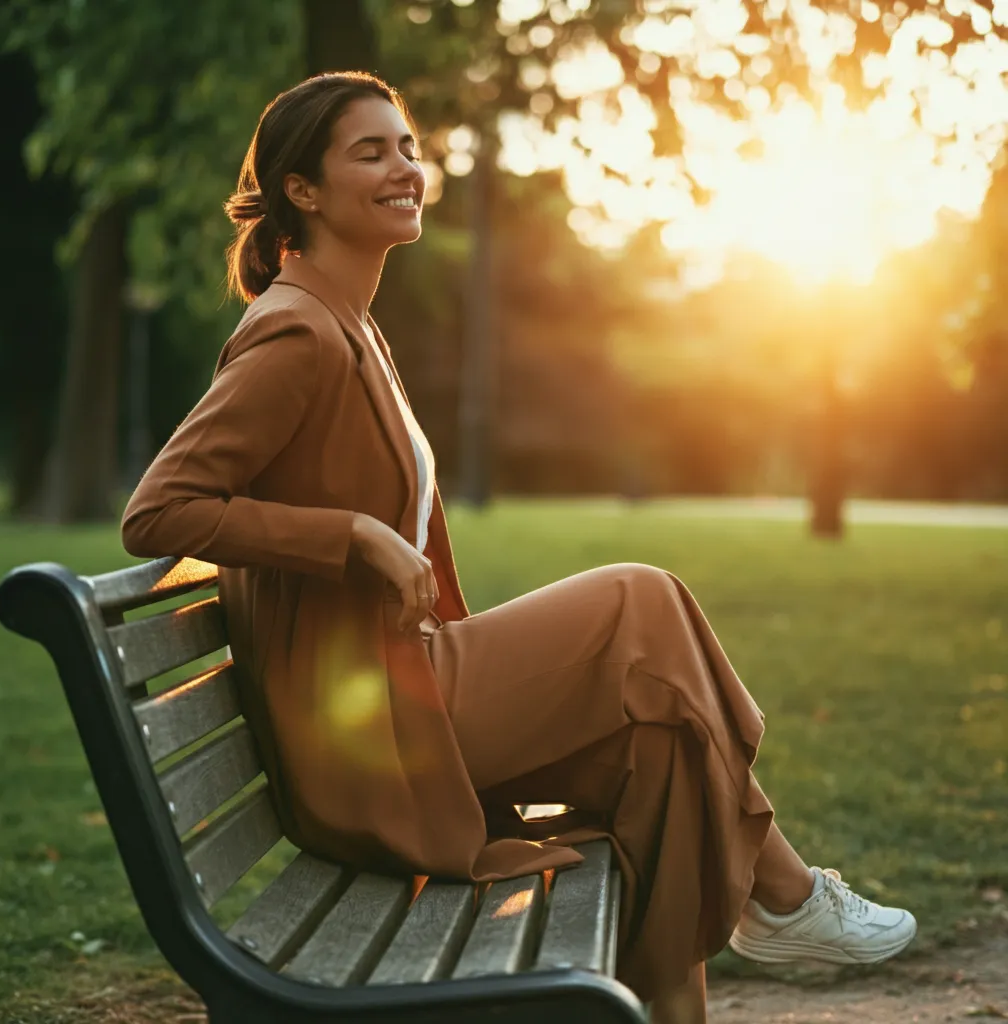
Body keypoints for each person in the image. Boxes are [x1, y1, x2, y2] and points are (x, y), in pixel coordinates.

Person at [121, 72, 916, 1024]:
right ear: (304, 190)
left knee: (661, 755)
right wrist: (354, 538)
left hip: (388, 700)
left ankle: (732, 955)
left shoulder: (348, 323)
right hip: (365, 732)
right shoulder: (295, 330)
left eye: (408, 147)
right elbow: (161, 511)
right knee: (640, 599)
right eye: (369, 153)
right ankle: (785, 896)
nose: (405, 169)